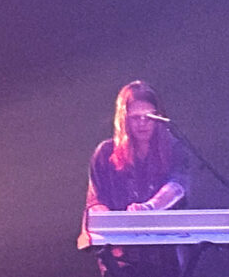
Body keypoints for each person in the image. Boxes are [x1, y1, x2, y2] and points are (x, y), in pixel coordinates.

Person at [80, 80, 192, 277]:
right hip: (121, 258)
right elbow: (96, 201)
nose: (142, 123)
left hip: (166, 256)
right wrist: (113, 224)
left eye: (148, 117)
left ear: (159, 117)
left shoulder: (174, 149)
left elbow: (177, 186)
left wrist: (148, 208)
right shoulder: (105, 153)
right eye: (135, 118)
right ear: (123, 120)